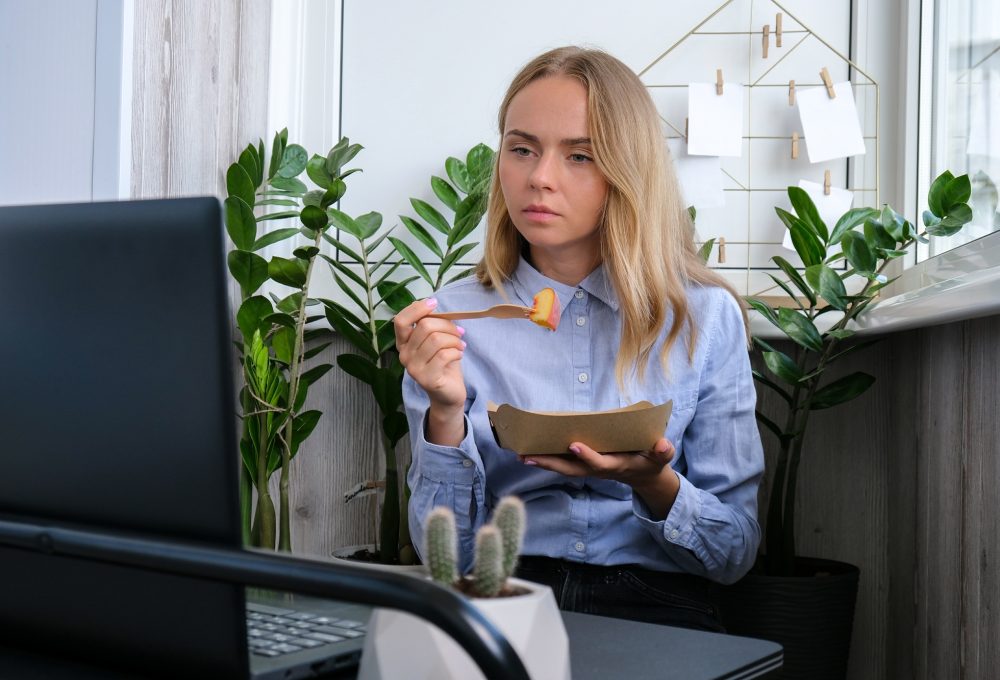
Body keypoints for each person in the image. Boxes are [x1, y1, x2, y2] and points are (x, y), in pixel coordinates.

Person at [392, 46, 763, 632]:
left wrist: (652, 481)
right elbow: (450, 562)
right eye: (522, 149)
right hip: (503, 597)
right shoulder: (452, 320)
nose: (539, 178)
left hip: (661, 606)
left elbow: (733, 555)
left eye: (579, 156)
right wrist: (444, 413)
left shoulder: (705, 317)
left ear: (626, 170)